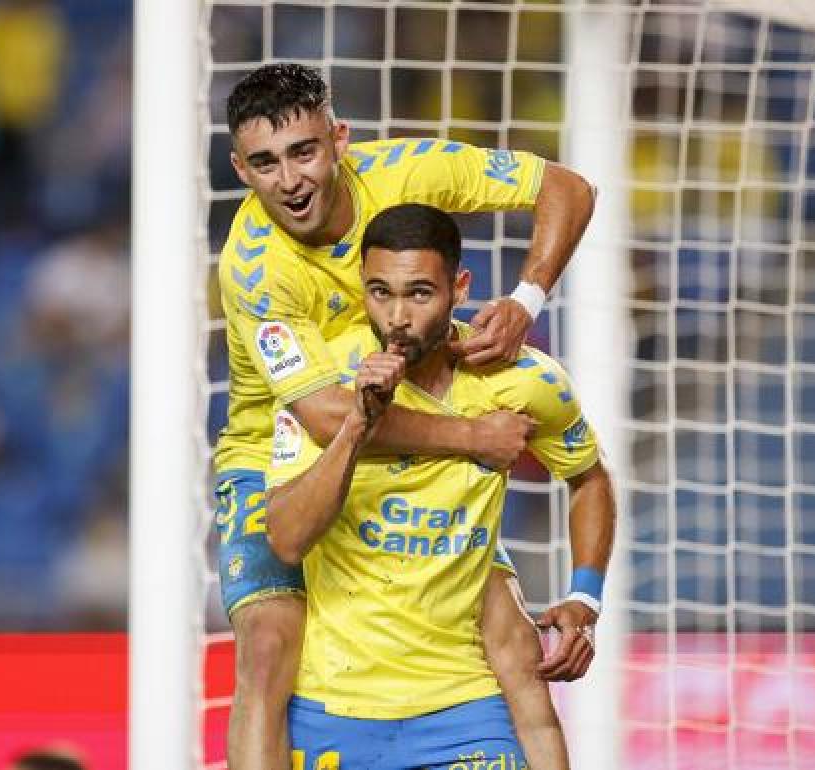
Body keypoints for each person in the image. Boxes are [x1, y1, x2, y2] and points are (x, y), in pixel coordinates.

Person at [215, 63, 596, 768]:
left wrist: (527, 299)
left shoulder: (407, 171)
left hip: (415, 436)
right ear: (240, 169)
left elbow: (566, 187)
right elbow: (328, 417)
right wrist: (474, 437)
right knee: (268, 646)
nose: (290, 180)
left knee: (513, 639)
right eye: (265, 163)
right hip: (277, 450)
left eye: (304, 152)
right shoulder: (253, 268)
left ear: (340, 139)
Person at [264, 203, 616, 768]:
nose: (397, 316)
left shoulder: (523, 381)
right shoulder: (323, 383)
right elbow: (285, 539)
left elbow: (589, 478)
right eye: (380, 292)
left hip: (466, 705)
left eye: (420, 294)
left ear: (460, 288)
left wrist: (585, 596)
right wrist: (358, 424)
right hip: (337, 706)